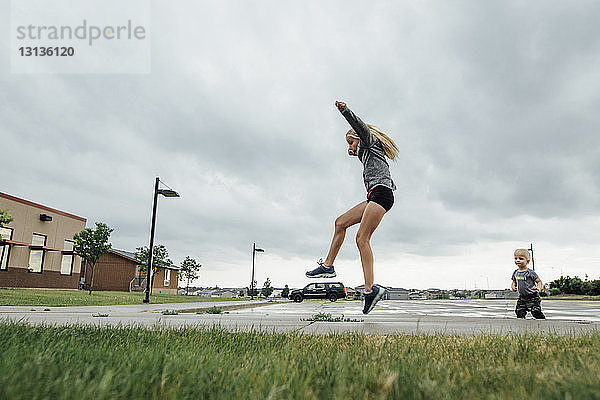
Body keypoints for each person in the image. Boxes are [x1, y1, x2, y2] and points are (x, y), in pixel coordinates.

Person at [305, 101, 398, 314]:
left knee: (361, 239)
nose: (350, 148)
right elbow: (359, 150)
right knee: (340, 223)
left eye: (351, 143)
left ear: (358, 137)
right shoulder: (366, 153)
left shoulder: (369, 141)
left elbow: (359, 127)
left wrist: (345, 111)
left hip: (383, 193)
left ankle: (370, 290)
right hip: (373, 195)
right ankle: (328, 267)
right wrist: (355, 151)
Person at [511, 248, 546, 319]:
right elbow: (514, 281)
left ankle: (542, 321)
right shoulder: (516, 272)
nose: (517, 260)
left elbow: (539, 281)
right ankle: (522, 324)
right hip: (522, 297)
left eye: (521, 259)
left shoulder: (530, 272)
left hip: (533, 296)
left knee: (536, 312)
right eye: (516, 258)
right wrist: (513, 286)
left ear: (527, 261)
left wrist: (539, 287)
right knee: (519, 311)